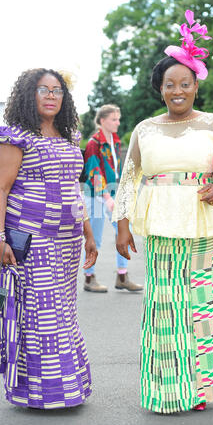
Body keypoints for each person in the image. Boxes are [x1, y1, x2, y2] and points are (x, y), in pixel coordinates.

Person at [113, 10, 213, 413]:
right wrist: (122, 227)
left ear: (195, 86)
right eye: (169, 84)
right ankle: (167, 388)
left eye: (185, 84)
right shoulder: (144, 129)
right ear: (160, 89)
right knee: (164, 304)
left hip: (203, 225)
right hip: (158, 227)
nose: (177, 90)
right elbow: (128, 180)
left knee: (202, 302)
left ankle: (200, 389)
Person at [0, 68, 97, 409]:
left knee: (64, 311)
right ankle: (44, 393)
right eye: (43, 89)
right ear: (28, 95)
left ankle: (67, 386)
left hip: (68, 241)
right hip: (33, 239)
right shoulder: (15, 136)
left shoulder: (69, 136)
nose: (51, 95)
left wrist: (88, 233)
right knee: (41, 313)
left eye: (57, 90)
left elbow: (73, 190)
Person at [83, 104, 143, 293]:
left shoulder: (115, 141)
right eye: (114, 119)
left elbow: (116, 170)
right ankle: (89, 278)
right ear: (103, 121)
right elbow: (94, 171)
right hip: (96, 195)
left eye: (118, 118)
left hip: (113, 192)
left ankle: (122, 276)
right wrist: (107, 196)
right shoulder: (94, 143)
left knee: (124, 230)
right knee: (96, 239)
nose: (118, 122)